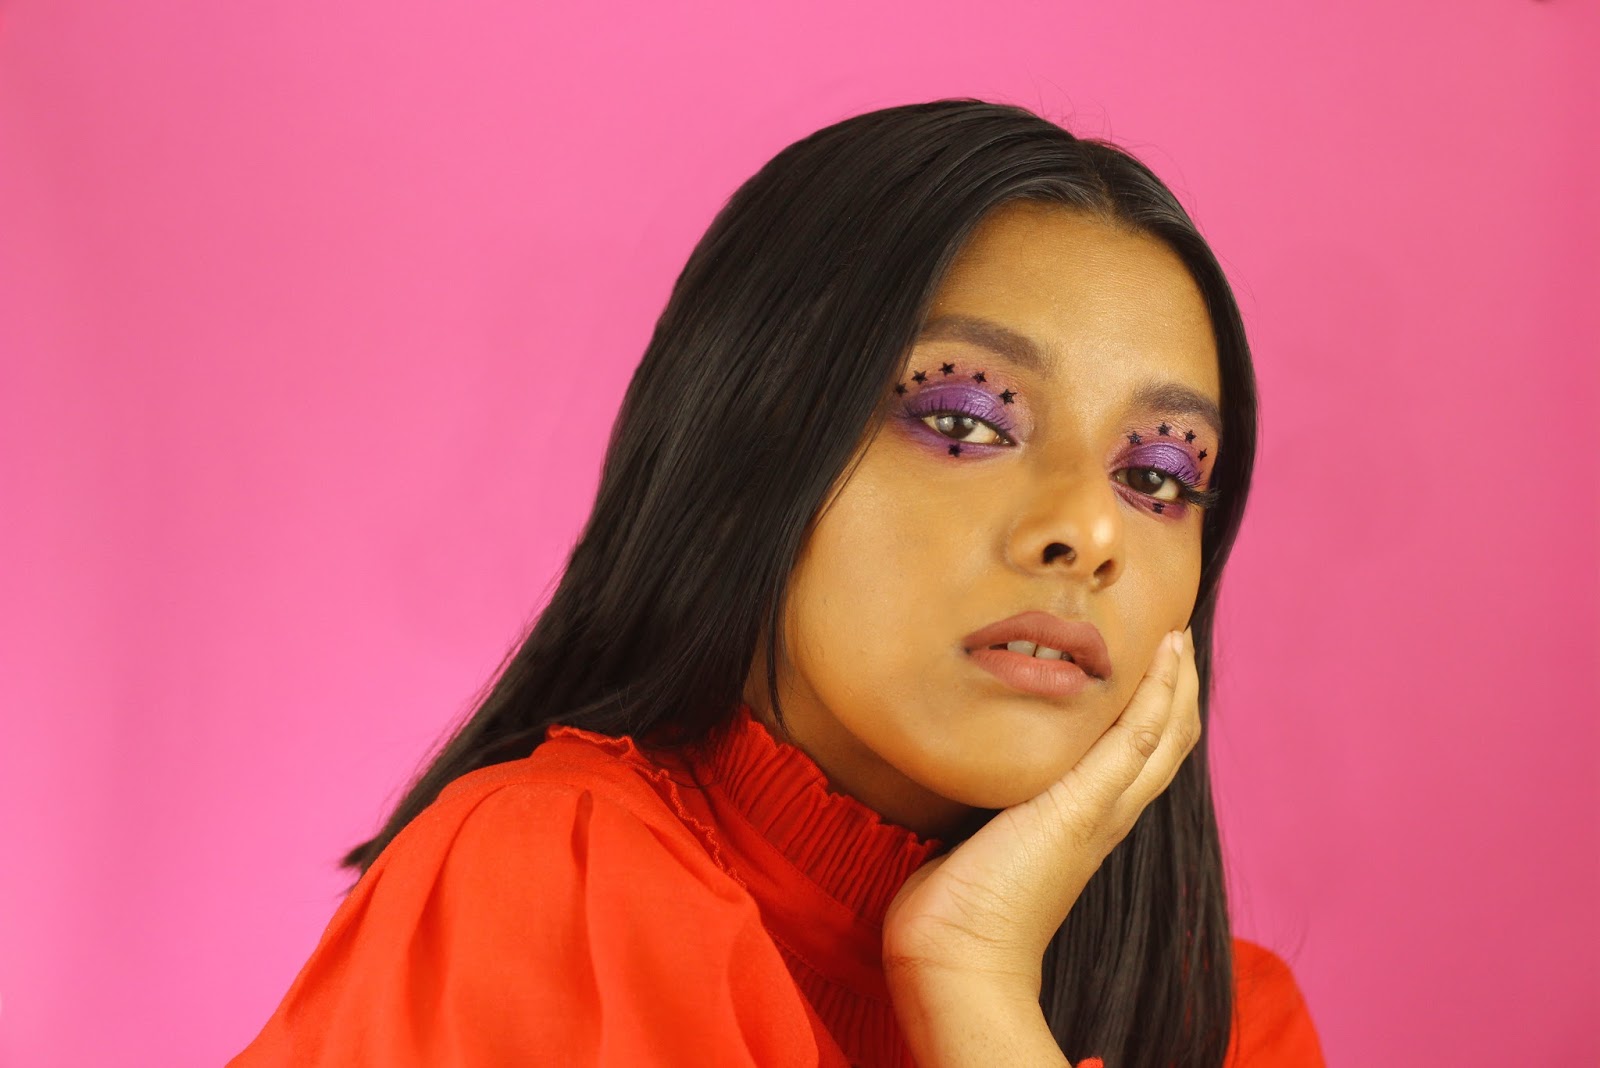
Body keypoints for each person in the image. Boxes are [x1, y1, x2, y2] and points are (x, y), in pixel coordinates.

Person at [228, 99, 1325, 1067]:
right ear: (746, 453)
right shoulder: (558, 884)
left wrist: (975, 977)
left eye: (1157, 474)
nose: (1088, 532)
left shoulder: (1228, 1027)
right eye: (963, 421)